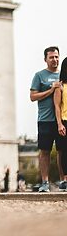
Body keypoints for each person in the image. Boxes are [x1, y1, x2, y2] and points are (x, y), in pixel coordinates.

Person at [30, 46, 63, 192]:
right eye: (51, 57)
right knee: (45, 152)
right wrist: (51, 90)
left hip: (62, 120)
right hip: (45, 120)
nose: (55, 60)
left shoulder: (64, 75)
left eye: (56, 57)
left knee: (62, 151)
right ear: (45, 60)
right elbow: (32, 97)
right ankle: (45, 182)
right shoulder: (39, 76)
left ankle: (64, 181)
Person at [53, 56, 67, 190]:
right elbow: (57, 106)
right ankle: (66, 179)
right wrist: (59, 124)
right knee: (64, 151)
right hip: (65, 121)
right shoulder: (60, 86)